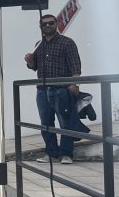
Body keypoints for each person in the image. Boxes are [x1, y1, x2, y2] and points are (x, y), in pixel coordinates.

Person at [24, 13, 82, 164]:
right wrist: (30, 61)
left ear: (56, 24)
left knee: (65, 123)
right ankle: (50, 153)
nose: (48, 26)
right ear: (40, 27)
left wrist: (75, 84)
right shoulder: (38, 44)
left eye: (51, 23)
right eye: (44, 24)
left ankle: (66, 154)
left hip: (62, 90)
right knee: (46, 124)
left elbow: (75, 66)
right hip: (42, 91)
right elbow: (34, 67)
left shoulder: (67, 43)